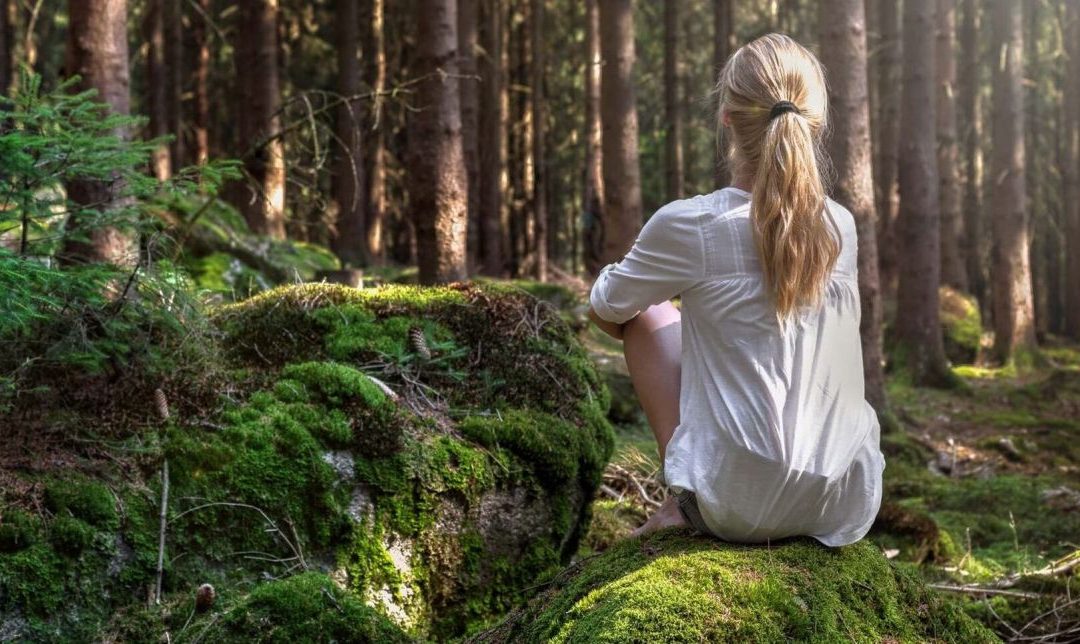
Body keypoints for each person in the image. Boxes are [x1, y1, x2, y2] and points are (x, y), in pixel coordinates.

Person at [588, 33, 885, 547]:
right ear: (813, 121)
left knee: (648, 314)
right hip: (842, 499)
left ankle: (680, 501)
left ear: (726, 116)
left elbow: (606, 306)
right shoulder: (840, 225)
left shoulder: (692, 223)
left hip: (733, 505)